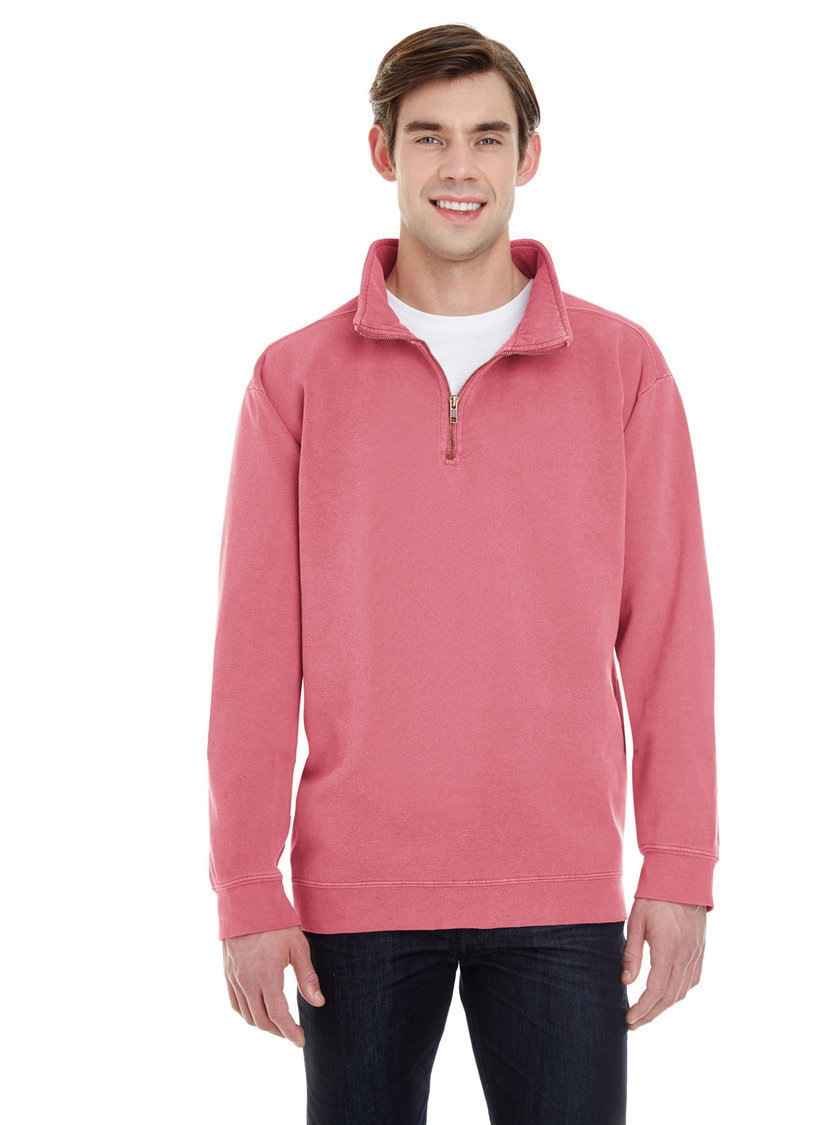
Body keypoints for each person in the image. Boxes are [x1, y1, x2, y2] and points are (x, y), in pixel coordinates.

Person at [207, 23, 719, 1124]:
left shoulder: (623, 368)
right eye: (429, 136)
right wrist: (246, 883)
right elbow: (254, 651)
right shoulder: (294, 378)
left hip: (562, 888)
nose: (459, 166)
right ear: (381, 152)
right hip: (353, 895)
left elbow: (670, 630)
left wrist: (680, 864)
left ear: (529, 156)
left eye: (487, 137)